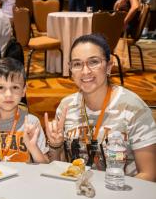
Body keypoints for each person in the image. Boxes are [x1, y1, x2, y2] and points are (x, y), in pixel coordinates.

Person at [45, 34, 156, 182]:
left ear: (109, 66)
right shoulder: (66, 106)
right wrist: (56, 145)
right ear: (70, 70)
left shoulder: (133, 108)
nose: (85, 71)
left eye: (94, 62)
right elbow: (61, 167)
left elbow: (149, 174)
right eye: (77, 64)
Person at [0, 57, 49, 163]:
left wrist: (33, 147)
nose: (8, 95)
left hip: (22, 179)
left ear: (24, 90)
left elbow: (44, 165)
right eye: (1, 88)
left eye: (15, 87)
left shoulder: (32, 122)